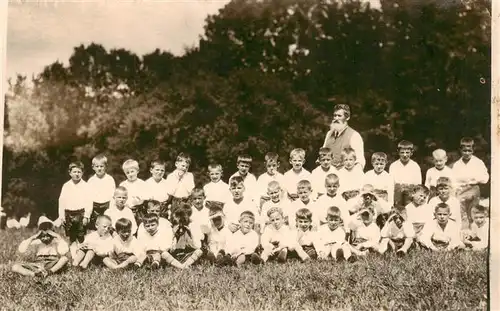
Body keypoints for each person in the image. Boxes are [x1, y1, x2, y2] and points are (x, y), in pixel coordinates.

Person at [452, 137, 489, 228]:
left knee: (473, 212)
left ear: (473, 150)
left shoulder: (478, 162)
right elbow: (453, 179)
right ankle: (464, 232)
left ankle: (474, 232)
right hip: (461, 190)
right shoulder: (457, 164)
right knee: (461, 213)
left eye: (469, 151)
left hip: (473, 189)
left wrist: (472, 180)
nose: (467, 153)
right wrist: (458, 187)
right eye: (464, 151)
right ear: (460, 150)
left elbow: (485, 178)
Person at [57, 161, 92, 258]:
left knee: (81, 236)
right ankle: (73, 256)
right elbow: (62, 201)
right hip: (68, 214)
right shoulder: (66, 186)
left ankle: (81, 255)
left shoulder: (85, 185)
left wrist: (86, 216)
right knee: (72, 237)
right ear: (70, 173)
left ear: (82, 173)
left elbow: (89, 201)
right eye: (74, 172)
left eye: (79, 172)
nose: (77, 174)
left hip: (81, 213)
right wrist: (61, 216)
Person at [322, 104, 365, 170]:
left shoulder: (354, 135)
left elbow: (359, 160)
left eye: (339, 116)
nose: (336, 118)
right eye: (335, 115)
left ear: (347, 117)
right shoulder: (329, 133)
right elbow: (323, 153)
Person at [163, 204, 204, 269]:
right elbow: (168, 248)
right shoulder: (170, 229)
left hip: (186, 255)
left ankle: (183, 265)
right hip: (175, 256)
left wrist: (190, 232)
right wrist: (173, 234)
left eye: (182, 226)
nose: (181, 230)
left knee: (199, 251)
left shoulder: (189, 229)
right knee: (164, 254)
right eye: (178, 227)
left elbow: (197, 246)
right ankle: (182, 266)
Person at [389, 140, 422, 209]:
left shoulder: (415, 166)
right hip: (397, 194)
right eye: (402, 152)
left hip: (410, 194)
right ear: (398, 152)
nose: (405, 155)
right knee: (398, 211)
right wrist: (391, 201)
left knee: (409, 211)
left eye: (407, 152)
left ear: (411, 153)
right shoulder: (393, 165)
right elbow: (390, 184)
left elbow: (418, 184)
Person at [87, 154, 116, 231]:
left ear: (106, 166)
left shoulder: (110, 179)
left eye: (101, 166)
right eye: (97, 166)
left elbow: (112, 196)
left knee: (107, 227)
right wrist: (88, 213)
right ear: (93, 167)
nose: (99, 168)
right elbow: (88, 198)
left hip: (106, 206)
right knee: (96, 228)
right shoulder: (91, 181)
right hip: (95, 207)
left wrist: (111, 210)